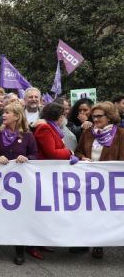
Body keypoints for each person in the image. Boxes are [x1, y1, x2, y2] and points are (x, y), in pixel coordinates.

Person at [0, 103, 38, 265]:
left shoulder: (28, 135)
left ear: (17, 116)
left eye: (7, 112)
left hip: (20, 186)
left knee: (19, 218)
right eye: (4, 112)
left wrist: (27, 158)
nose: (4, 115)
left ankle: (19, 250)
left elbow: (35, 154)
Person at [74, 102, 124, 259]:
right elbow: (78, 151)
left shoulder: (121, 134)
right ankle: (91, 242)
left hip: (110, 180)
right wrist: (83, 157)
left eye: (99, 116)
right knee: (91, 212)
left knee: (108, 213)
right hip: (90, 178)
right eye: (93, 116)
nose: (95, 119)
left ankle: (106, 242)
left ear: (109, 117)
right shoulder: (88, 133)